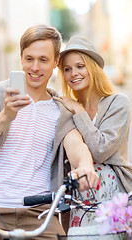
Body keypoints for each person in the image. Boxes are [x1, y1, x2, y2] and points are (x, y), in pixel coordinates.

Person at [0, 26, 99, 240]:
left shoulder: (60, 109)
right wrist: (6, 116)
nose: (34, 67)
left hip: (41, 213)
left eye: (43, 60)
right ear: (21, 58)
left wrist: (86, 167)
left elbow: (77, 148)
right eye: (29, 59)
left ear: (56, 62)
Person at [55, 35, 132, 228]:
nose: (74, 73)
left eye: (80, 66)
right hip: (79, 195)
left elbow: (100, 150)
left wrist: (79, 112)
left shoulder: (118, 103)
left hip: (113, 197)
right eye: (67, 69)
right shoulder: (67, 108)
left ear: (93, 68)